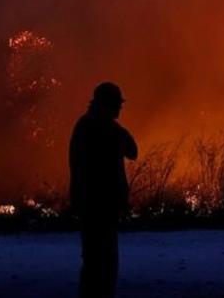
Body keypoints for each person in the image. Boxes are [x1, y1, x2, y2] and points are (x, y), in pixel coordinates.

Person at [69, 82, 137, 298]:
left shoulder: (84, 126)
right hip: (100, 206)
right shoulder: (105, 130)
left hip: (94, 205)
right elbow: (132, 151)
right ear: (106, 104)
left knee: (95, 262)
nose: (120, 108)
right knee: (102, 263)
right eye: (117, 104)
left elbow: (131, 151)